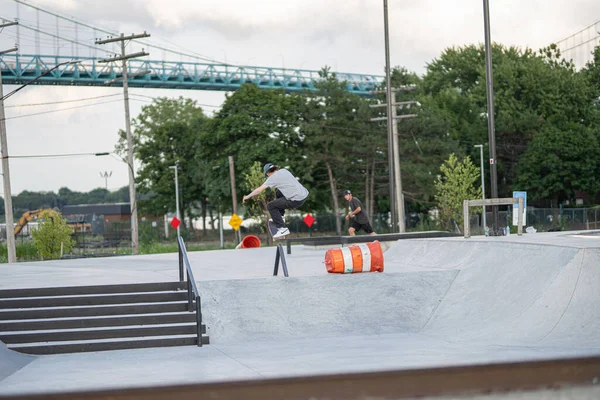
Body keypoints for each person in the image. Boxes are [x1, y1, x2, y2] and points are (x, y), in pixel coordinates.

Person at [242, 163, 309, 239]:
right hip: (304, 194)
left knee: (270, 206)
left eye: (267, 175)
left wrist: (247, 197)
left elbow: (258, 190)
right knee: (278, 192)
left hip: (295, 200)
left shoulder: (272, 178)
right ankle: (281, 216)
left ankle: (282, 229)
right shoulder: (284, 171)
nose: (268, 176)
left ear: (268, 173)